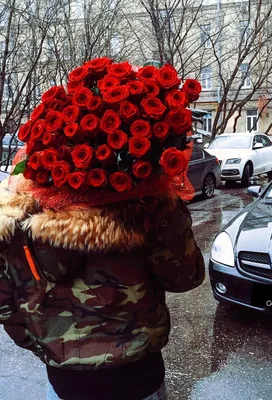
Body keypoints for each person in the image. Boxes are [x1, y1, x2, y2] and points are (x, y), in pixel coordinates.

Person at [0, 58, 205, 399]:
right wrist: (166, 209)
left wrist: (49, 348)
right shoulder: (146, 212)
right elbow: (186, 277)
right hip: (139, 378)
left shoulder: (18, 220)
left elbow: (7, 305)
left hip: (65, 383)